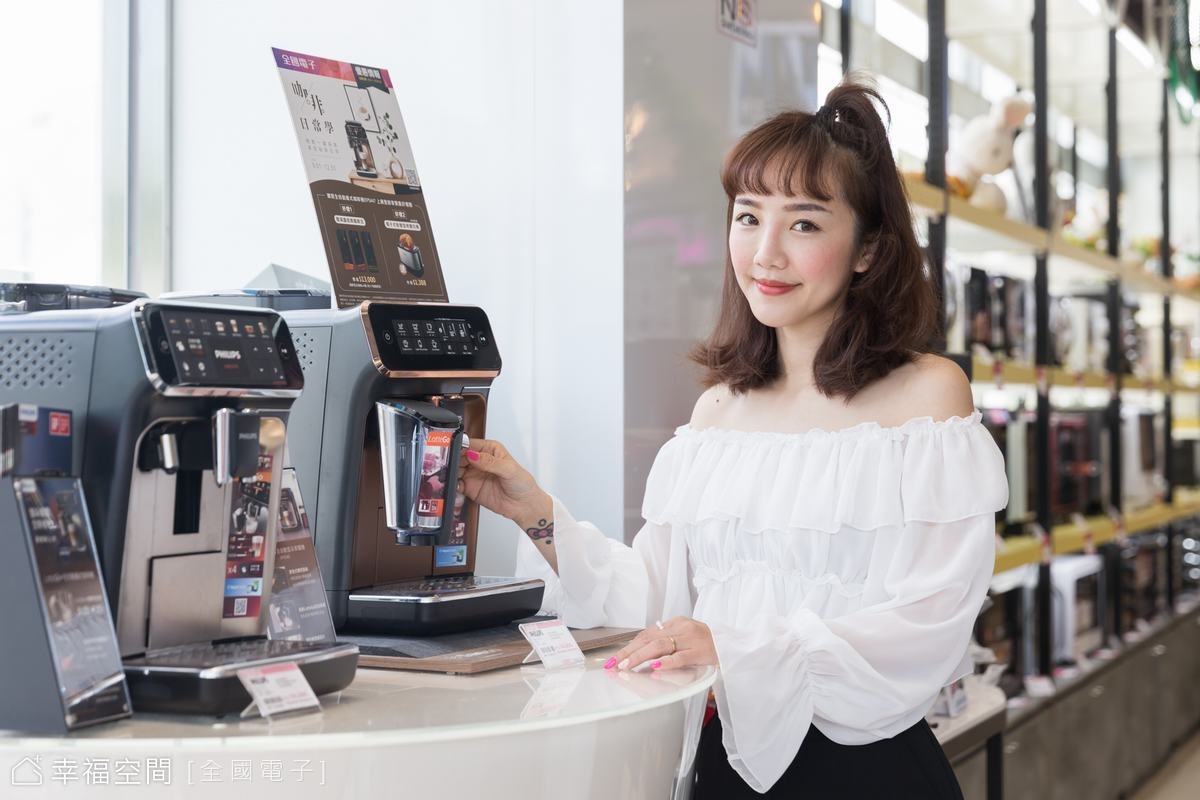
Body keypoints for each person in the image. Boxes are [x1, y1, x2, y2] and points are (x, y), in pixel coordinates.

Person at [459, 78, 1008, 798]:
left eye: (804, 224)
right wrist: (535, 511)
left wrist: (735, 649)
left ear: (869, 249)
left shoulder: (927, 397)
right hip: (726, 767)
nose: (766, 253)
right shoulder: (717, 412)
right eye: (749, 217)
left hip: (865, 772)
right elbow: (651, 605)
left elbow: (930, 620)